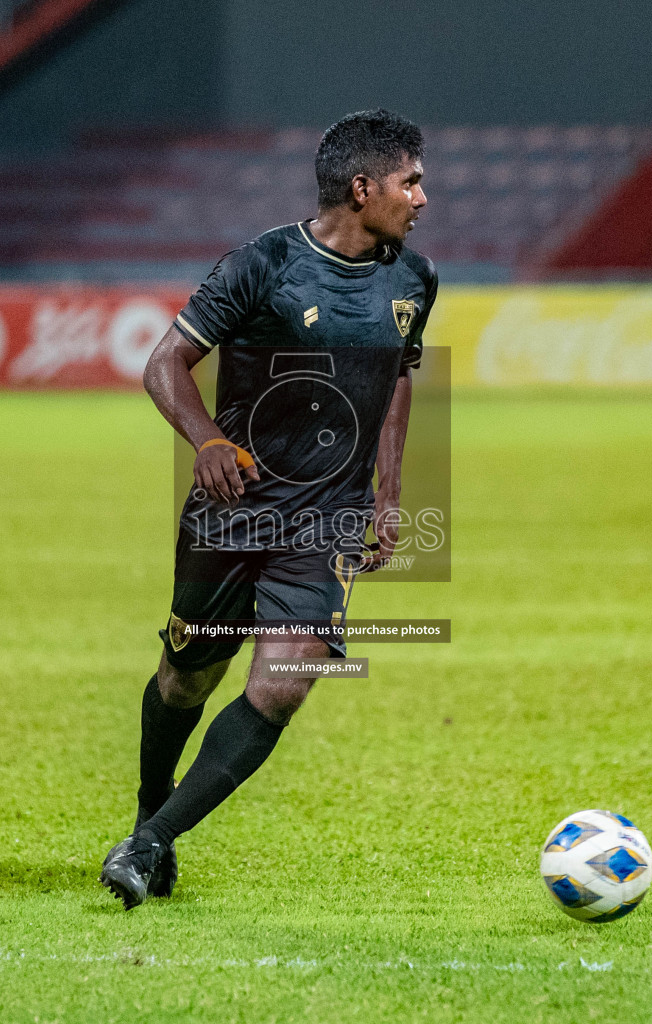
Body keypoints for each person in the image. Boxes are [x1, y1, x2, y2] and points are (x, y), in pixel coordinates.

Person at [99, 109, 437, 909]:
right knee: (186, 679)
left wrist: (387, 496)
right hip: (233, 510)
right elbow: (165, 362)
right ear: (363, 188)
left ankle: (149, 844)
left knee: (286, 681)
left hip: (325, 521)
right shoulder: (264, 264)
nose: (423, 197)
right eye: (410, 181)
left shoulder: (413, 280)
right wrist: (207, 440)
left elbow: (396, 378)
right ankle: (153, 810)